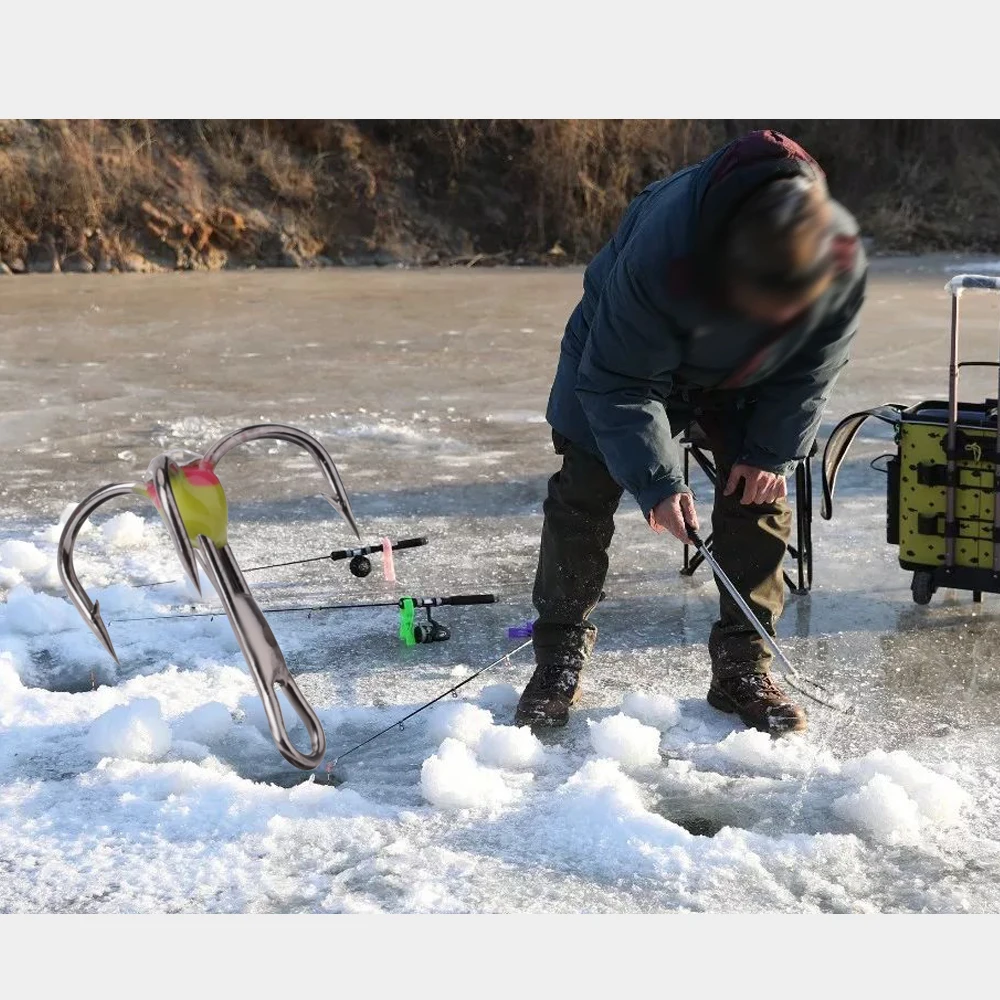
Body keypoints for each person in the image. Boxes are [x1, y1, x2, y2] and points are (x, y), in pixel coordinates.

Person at [515, 129, 868, 736]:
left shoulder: (836, 261)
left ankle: (743, 666)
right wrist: (655, 481)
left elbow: (814, 367)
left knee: (760, 494)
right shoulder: (665, 253)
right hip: (622, 358)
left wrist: (768, 453)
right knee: (587, 479)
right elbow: (617, 383)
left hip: (754, 374)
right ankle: (558, 656)